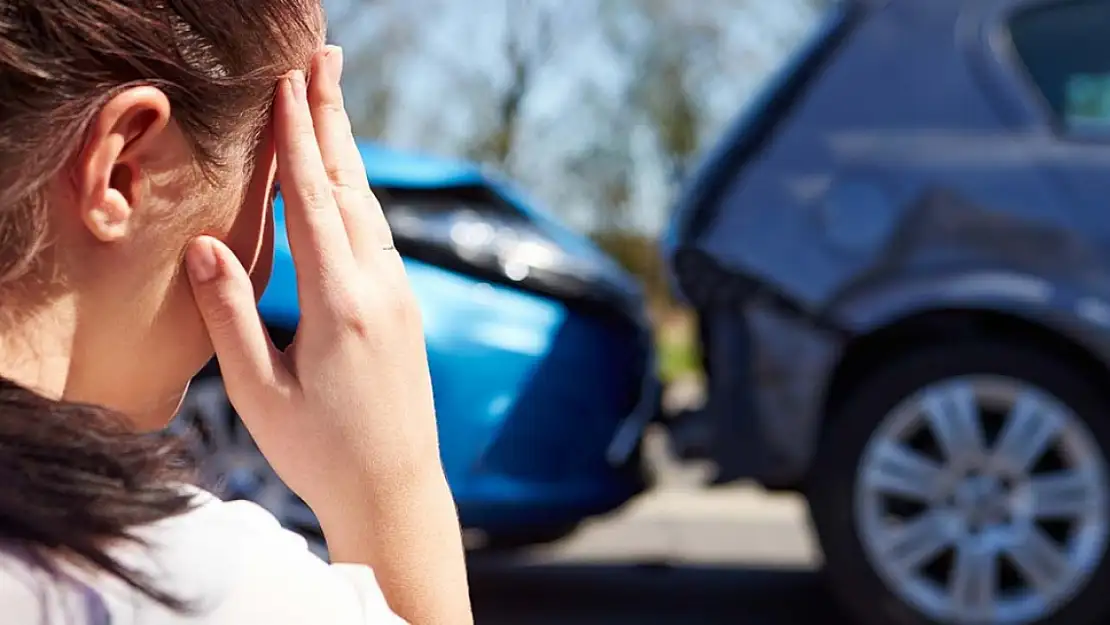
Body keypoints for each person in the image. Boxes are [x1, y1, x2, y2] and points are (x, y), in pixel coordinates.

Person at [0, 1, 472, 624]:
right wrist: (396, 492)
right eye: (273, 192)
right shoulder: (194, 587)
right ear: (123, 172)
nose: (264, 267)